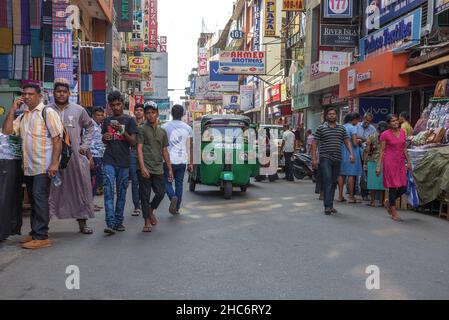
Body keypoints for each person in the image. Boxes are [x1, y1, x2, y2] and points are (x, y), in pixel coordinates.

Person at [2, 84, 63, 249]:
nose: (27, 97)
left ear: (39, 96)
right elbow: (7, 132)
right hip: (28, 167)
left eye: (30, 94)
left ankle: (41, 236)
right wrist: (13, 109)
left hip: (43, 165)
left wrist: (54, 163)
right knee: (35, 200)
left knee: (39, 199)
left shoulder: (47, 113)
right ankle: (35, 232)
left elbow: (58, 139)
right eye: (24, 94)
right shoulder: (23, 116)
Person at [47, 79, 95, 234]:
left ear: (69, 93)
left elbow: (90, 127)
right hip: (52, 157)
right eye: (58, 91)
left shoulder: (78, 110)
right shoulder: (47, 110)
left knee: (80, 188)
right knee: (49, 191)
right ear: (53, 93)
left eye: (64, 92)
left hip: (74, 157)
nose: (61, 94)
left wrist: (84, 146)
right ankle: (42, 226)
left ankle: (83, 223)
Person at [102, 91, 138, 234]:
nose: (116, 107)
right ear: (110, 106)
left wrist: (122, 131)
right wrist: (106, 137)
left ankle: (118, 222)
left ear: (122, 104)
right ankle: (110, 223)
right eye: (113, 105)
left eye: (118, 104)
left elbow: (133, 142)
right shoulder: (106, 121)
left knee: (122, 193)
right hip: (109, 160)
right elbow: (104, 140)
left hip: (124, 162)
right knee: (108, 191)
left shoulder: (130, 120)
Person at [137, 102, 174, 232]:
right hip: (145, 167)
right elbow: (139, 149)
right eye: (147, 113)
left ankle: (151, 210)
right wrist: (142, 167)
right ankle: (146, 221)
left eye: (153, 112)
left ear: (157, 114)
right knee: (145, 195)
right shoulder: (141, 129)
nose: (150, 115)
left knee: (161, 192)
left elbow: (164, 151)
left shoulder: (162, 131)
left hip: (158, 167)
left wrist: (169, 169)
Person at [311, 108, 354, 215]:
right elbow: (314, 143)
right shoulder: (321, 128)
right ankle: (327, 206)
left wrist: (351, 154)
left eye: (333, 114)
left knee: (333, 182)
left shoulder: (341, 128)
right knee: (328, 180)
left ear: (336, 116)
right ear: (326, 116)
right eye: (329, 114)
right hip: (325, 157)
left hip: (337, 158)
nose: (331, 116)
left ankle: (330, 205)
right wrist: (314, 158)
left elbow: (347, 141)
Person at [377, 114, 412, 222]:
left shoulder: (403, 132)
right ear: (389, 124)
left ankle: (388, 202)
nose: (396, 122)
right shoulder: (384, 134)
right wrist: (379, 166)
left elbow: (404, 148)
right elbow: (382, 151)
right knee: (393, 187)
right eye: (393, 121)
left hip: (400, 162)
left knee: (403, 187)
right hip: (389, 162)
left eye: (396, 120)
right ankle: (393, 211)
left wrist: (409, 161)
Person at [161, 104, 193, 214]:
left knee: (166, 182)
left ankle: (172, 196)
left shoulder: (164, 127)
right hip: (182, 161)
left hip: (168, 160)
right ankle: (177, 207)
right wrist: (190, 163)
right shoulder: (188, 128)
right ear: (183, 114)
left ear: (171, 113)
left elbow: (162, 145)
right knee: (179, 184)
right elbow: (188, 147)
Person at [338, 113, 363, 203]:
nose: (358, 122)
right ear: (354, 120)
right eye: (357, 120)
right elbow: (354, 142)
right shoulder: (353, 128)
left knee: (341, 174)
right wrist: (359, 140)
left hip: (341, 152)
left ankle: (340, 196)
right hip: (351, 152)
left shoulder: (341, 127)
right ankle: (351, 197)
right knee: (351, 175)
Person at [363, 121, 388, 207]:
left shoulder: (372, 136)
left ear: (377, 127)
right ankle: (382, 201)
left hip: (373, 160)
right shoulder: (388, 136)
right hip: (385, 160)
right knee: (383, 182)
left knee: (372, 182)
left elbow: (367, 151)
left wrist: (364, 163)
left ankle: (372, 201)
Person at [129, 103, 145, 216]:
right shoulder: (130, 122)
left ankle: (143, 201)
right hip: (133, 153)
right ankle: (136, 206)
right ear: (134, 112)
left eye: (141, 110)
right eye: (137, 110)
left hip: (145, 154)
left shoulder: (147, 124)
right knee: (134, 181)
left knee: (143, 180)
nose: (139, 112)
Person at [90, 107, 106, 211]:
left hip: (100, 155)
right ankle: (89, 204)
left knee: (97, 179)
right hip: (93, 156)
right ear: (93, 116)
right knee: (94, 180)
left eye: (101, 115)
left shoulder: (100, 126)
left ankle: (91, 203)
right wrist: (90, 158)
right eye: (98, 115)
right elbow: (86, 141)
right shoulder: (90, 126)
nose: (100, 117)